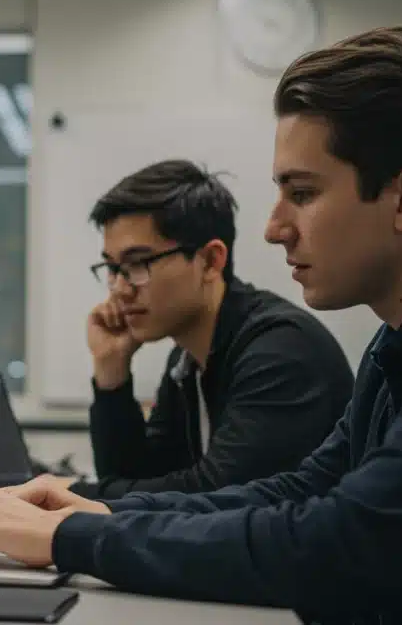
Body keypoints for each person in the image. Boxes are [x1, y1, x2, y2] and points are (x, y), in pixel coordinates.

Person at [0, 26, 402, 623]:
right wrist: (95, 510)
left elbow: (343, 541)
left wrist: (69, 537)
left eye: (301, 193)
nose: (273, 229)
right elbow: (299, 489)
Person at [63, 159, 352, 499]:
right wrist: (111, 370)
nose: (120, 289)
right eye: (113, 268)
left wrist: (76, 494)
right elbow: (140, 478)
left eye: (138, 263)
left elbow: (217, 495)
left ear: (210, 261)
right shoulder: (186, 359)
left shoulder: (280, 352)